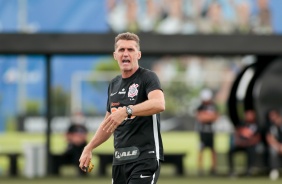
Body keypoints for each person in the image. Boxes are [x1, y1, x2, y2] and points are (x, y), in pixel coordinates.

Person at [79, 32, 165, 184]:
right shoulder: (114, 84)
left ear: (138, 54)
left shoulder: (148, 77)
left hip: (144, 159)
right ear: (115, 55)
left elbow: (159, 104)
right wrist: (89, 147)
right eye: (121, 50)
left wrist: (127, 111)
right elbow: (108, 124)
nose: (126, 53)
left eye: (130, 50)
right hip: (119, 162)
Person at [228, 110, 261, 177]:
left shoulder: (257, 125)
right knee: (231, 151)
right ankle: (232, 171)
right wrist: (240, 142)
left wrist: (248, 142)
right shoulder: (241, 124)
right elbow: (237, 134)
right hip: (241, 144)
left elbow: (257, 138)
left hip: (250, 145)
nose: (248, 116)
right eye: (247, 115)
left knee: (251, 150)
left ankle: (249, 170)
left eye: (250, 115)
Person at [195, 88, 218, 175]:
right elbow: (200, 118)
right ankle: (200, 169)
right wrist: (209, 116)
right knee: (201, 149)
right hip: (202, 132)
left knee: (213, 150)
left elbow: (216, 117)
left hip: (211, 131)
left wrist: (207, 116)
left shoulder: (214, 106)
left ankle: (213, 168)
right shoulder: (200, 107)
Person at [266, 109, 282, 180]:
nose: (272, 118)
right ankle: (274, 170)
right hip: (277, 146)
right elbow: (270, 139)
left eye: (273, 116)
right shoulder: (271, 126)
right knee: (272, 150)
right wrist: (279, 146)